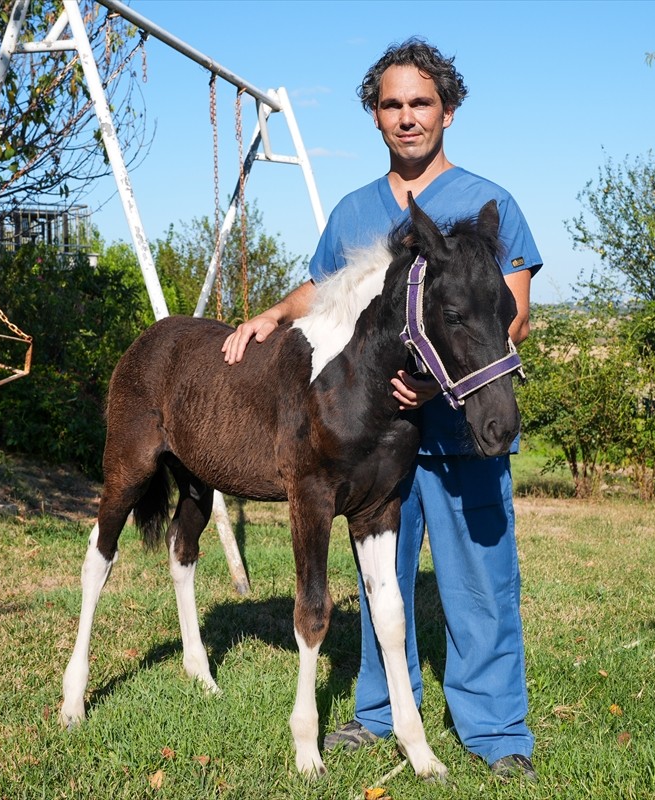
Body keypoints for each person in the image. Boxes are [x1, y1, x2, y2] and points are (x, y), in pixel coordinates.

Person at [221, 37, 541, 781]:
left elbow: (512, 316)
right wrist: (268, 316)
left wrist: (436, 380)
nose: (408, 118)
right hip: (373, 442)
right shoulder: (355, 210)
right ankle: (374, 718)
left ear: (448, 111)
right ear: (375, 115)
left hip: (459, 432)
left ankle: (496, 733)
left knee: (479, 585)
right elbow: (325, 294)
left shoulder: (488, 204)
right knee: (380, 584)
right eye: (393, 105)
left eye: (421, 103)